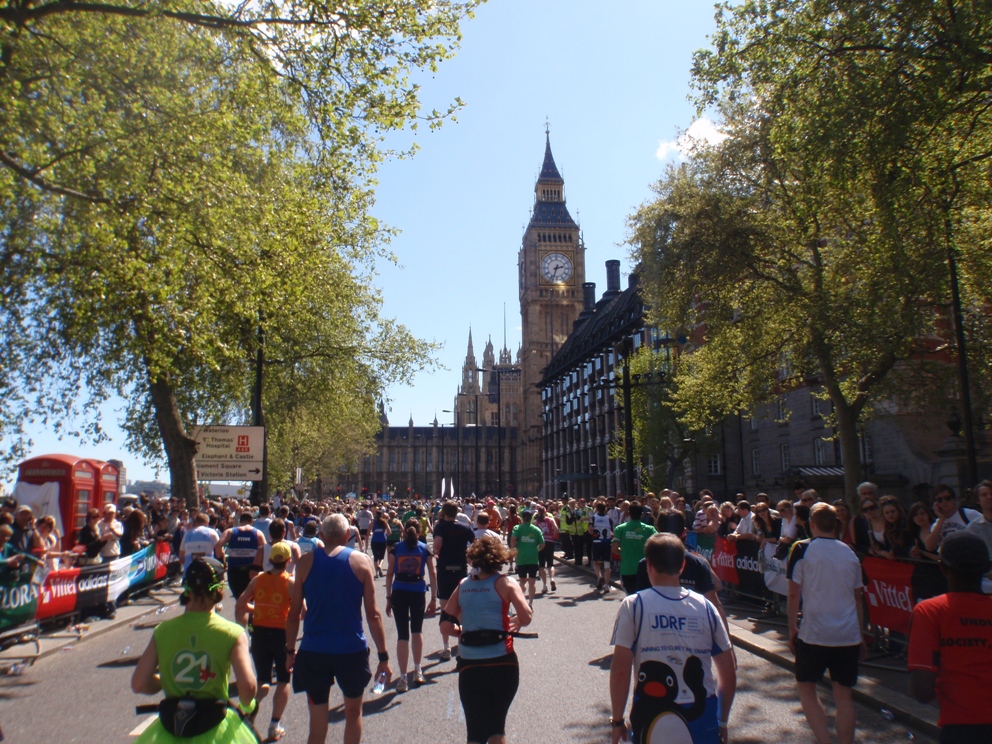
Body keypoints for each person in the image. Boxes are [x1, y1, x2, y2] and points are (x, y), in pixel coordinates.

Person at [609, 533, 736, 744]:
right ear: (682, 565)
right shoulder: (706, 607)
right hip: (702, 712)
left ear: (648, 564)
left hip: (649, 710)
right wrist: (721, 721)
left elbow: (620, 670)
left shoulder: (634, 605)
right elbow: (728, 672)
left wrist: (617, 720)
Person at [285, 514, 391, 744]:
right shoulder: (362, 562)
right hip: (350, 649)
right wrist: (383, 656)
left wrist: (289, 651)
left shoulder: (305, 562)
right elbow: (373, 614)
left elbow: (293, 614)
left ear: (321, 536)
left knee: (317, 721)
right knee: (353, 713)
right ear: (347, 535)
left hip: (314, 650)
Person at [131, 557, 258, 744]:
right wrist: (247, 706)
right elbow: (248, 686)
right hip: (214, 729)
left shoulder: (163, 631)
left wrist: (166, 680)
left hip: (172, 730)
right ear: (220, 589)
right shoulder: (232, 633)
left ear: (186, 590)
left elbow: (139, 684)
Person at [440, 534, 532, 744]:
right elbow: (525, 617)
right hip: (503, 661)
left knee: (475, 731)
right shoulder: (506, 583)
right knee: (496, 727)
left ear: (473, 559)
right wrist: (516, 620)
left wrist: (462, 632)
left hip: (471, 665)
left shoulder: (463, 585)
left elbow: (445, 625)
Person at [787, 503, 866, 744]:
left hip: (814, 633)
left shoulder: (802, 549)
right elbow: (858, 598)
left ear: (812, 524)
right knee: (844, 696)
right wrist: (861, 636)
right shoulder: (850, 553)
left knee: (806, 688)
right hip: (847, 634)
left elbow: (793, 594)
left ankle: (824, 740)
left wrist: (791, 628)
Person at [908, 531, 992, 742]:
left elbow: (922, 690)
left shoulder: (929, 611)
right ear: (986, 568)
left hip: (960, 729)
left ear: (942, 568)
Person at [235, 542, 295, 741]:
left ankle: (247, 715)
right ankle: (274, 725)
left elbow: (241, 603)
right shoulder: (290, 582)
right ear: (288, 561)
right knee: (284, 680)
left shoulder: (259, 579)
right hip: (281, 634)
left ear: (270, 560)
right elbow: (301, 613)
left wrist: (259, 608)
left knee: (263, 680)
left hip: (259, 632)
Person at [385, 518, 437, 692]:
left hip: (399, 591)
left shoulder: (396, 548)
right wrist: (433, 598)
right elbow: (432, 573)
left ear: (404, 531)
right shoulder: (424, 548)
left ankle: (402, 677)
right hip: (418, 591)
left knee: (402, 635)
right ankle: (418, 669)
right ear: (419, 532)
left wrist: (388, 597)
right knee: (417, 630)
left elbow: (390, 573)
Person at [432, 501, 476, 661]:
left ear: (443, 512)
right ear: (457, 512)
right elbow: (476, 544)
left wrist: (436, 552)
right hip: (461, 569)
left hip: (445, 569)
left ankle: (446, 647)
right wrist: (468, 556)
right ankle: (461, 642)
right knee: (461, 608)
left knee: (445, 608)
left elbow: (437, 545)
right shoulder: (465, 528)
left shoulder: (440, 527)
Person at [216, 511, 266, 600]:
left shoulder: (230, 532)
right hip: (251, 570)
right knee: (252, 598)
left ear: (240, 521)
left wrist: (222, 562)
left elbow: (218, 546)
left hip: (234, 571)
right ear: (252, 521)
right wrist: (261, 567)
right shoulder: (258, 533)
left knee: (239, 600)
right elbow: (265, 550)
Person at [613, 503, 656, 595]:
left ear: (628, 513)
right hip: (646, 570)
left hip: (627, 569)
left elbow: (614, 549)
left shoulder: (620, 528)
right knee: (646, 599)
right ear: (641, 514)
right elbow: (659, 546)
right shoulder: (650, 529)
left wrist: (624, 552)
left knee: (631, 599)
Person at [924, 485, 981, 553]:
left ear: (954, 500)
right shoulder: (937, 525)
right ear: (936, 504)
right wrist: (942, 519)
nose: (944, 502)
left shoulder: (969, 514)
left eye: (947, 498)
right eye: (940, 500)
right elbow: (929, 547)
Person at [509, 509, 544, 608]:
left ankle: (522, 601)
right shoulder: (536, 529)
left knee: (522, 581)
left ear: (522, 518)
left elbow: (513, 539)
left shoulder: (517, 528)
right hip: (533, 558)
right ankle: (530, 603)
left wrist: (513, 549)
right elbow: (542, 544)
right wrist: (535, 549)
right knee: (532, 582)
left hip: (521, 558)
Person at [589, 499, 616, 594]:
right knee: (607, 564)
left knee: (595, 562)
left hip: (597, 542)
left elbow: (590, 529)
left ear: (596, 508)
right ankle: (607, 585)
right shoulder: (609, 519)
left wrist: (594, 533)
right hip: (606, 542)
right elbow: (612, 532)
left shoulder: (593, 518)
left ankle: (599, 576)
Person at [533, 505, 559, 593]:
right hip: (550, 542)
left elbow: (533, 533)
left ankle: (545, 585)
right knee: (550, 564)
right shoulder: (550, 519)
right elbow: (556, 529)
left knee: (541, 566)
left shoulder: (535, 522)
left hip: (540, 543)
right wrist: (553, 536)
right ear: (545, 512)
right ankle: (552, 578)